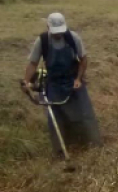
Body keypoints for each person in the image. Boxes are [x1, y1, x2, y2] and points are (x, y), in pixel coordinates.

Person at [23, 13, 101, 156]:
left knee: (85, 113)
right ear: (48, 27)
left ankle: (92, 144)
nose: (58, 34)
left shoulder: (73, 38)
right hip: (54, 82)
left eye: (60, 31)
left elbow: (83, 60)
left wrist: (78, 79)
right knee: (55, 118)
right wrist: (27, 81)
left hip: (72, 79)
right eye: (55, 32)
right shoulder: (43, 41)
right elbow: (33, 63)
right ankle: (61, 152)